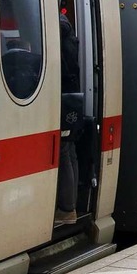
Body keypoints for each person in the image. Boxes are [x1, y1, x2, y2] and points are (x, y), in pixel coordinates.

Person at [55, 12, 81, 225]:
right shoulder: (66, 26)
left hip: (63, 95)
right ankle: (69, 206)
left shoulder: (58, 27)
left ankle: (66, 209)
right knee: (69, 150)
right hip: (71, 95)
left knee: (64, 150)